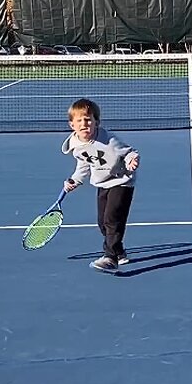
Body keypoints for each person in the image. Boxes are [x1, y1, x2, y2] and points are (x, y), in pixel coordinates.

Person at [62, 98, 140, 273]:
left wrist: (132, 161)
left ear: (96, 122)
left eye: (88, 120)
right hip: (102, 182)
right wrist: (74, 181)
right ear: (72, 125)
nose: (84, 124)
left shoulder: (109, 140)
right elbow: (83, 167)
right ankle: (119, 251)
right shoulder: (76, 147)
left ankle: (110, 257)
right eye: (79, 120)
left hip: (122, 181)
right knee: (102, 223)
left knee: (112, 219)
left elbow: (130, 152)